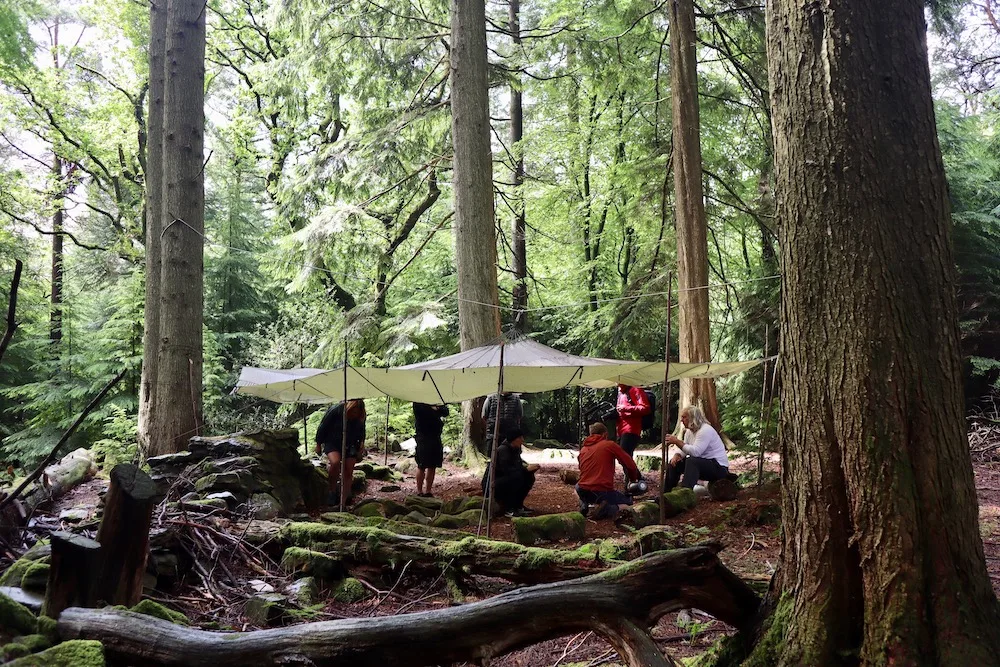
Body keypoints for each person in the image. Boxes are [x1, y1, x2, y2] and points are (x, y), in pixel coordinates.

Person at [576, 422, 642, 520]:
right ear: (604, 434)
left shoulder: (584, 449)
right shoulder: (609, 445)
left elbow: (582, 469)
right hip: (602, 490)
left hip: (583, 490)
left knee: (577, 486)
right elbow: (630, 465)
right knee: (628, 503)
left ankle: (584, 504)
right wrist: (633, 479)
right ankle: (609, 509)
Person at [663, 404, 730, 490]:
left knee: (692, 461)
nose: (681, 420)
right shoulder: (689, 432)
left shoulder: (705, 430)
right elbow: (685, 448)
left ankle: (685, 492)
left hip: (719, 468)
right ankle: (666, 493)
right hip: (704, 464)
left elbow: (696, 452)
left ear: (692, 418)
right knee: (674, 463)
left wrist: (677, 441)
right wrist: (677, 455)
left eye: (684, 417)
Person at [315, 399, 367, 507]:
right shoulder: (335, 410)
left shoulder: (361, 416)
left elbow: (362, 431)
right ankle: (332, 491)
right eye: (353, 412)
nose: (354, 415)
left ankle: (343, 502)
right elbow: (323, 426)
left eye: (357, 413)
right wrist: (318, 443)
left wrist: (361, 446)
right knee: (335, 462)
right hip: (333, 441)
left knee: (348, 471)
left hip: (351, 443)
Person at [481, 428, 538, 516]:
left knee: (529, 477)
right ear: (514, 439)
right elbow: (508, 471)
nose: (522, 440)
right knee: (516, 478)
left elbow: (517, 467)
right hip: (492, 484)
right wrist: (526, 470)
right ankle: (509, 508)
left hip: (504, 480)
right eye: (520, 437)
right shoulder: (503, 450)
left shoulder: (515, 449)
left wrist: (530, 469)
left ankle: (518, 505)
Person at [412, 402, 449, 498]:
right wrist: (434, 409)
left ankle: (428, 491)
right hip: (423, 436)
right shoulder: (418, 402)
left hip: (435, 436)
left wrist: (436, 408)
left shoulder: (437, 399)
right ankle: (419, 491)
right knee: (421, 465)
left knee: (433, 465)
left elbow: (445, 411)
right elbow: (421, 412)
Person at [616, 384, 651, 456]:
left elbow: (645, 408)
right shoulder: (620, 393)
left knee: (625, 456)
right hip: (620, 429)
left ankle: (632, 468)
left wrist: (626, 408)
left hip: (631, 429)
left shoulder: (635, 389)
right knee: (622, 457)